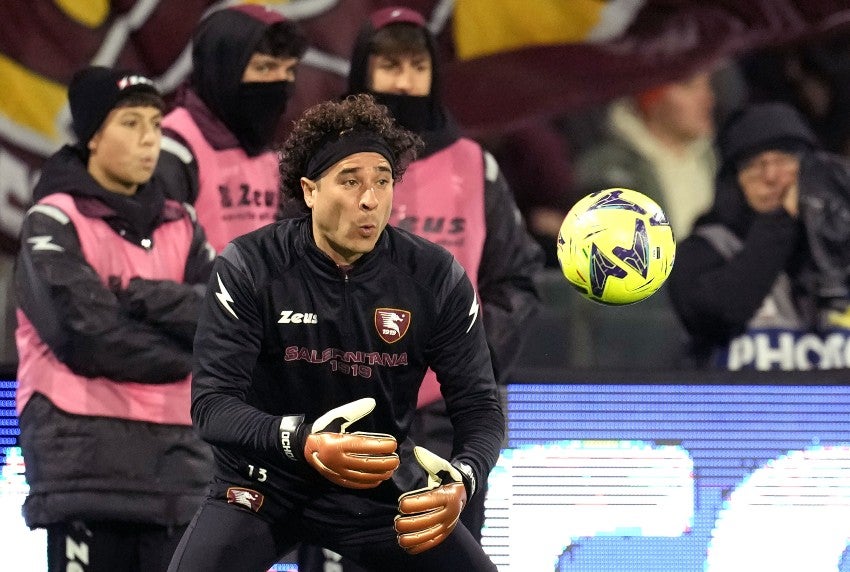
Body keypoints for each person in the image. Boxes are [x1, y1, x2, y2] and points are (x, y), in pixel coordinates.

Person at [166, 93, 503, 572]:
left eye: (383, 181)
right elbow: (211, 407)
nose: (370, 199)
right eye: (351, 181)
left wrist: (464, 482)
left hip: (378, 490)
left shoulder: (435, 277)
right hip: (265, 486)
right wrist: (301, 441)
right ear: (308, 191)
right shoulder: (249, 266)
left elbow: (480, 407)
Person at [288, 8, 544, 569]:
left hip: (449, 423)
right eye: (388, 65)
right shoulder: (326, 169)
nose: (403, 81)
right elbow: (293, 280)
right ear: (362, 72)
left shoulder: (476, 167)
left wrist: (468, 358)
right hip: (349, 419)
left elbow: (517, 282)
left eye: (415, 66)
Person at [14, 66, 215, 571]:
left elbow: (227, 324)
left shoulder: (183, 224)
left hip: (179, 471)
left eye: (155, 124)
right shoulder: (53, 220)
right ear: (93, 134)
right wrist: (184, 349)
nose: (150, 140)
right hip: (86, 466)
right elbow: (86, 336)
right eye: (131, 124)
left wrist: (135, 297)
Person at [668, 101, 850, 370]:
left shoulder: (841, 249)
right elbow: (722, 310)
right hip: (735, 409)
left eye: (785, 159)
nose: (771, 175)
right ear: (733, 180)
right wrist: (782, 221)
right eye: (754, 165)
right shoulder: (704, 251)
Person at [156, 4, 308, 253]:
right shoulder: (173, 146)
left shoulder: (267, 148)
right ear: (223, 67)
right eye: (264, 68)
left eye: (289, 70)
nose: (279, 82)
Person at [575, 70, 718, 239]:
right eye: (688, 87)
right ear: (652, 99)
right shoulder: (605, 169)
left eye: (707, 85)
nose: (708, 99)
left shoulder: (714, 156)